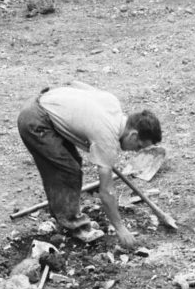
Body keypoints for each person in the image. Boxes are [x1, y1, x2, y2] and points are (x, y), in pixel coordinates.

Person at [17, 82, 162, 249]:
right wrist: (121, 229)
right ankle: (74, 226)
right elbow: (106, 192)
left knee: (73, 163)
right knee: (68, 171)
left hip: (44, 102)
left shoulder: (112, 103)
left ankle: (62, 213)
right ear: (133, 135)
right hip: (35, 122)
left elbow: (75, 84)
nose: (135, 151)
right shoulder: (107, 139)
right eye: (139, 146)